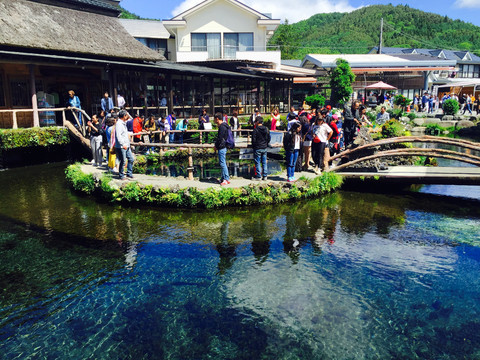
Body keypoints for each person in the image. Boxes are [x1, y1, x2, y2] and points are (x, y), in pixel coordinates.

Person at [114, 109, 135, 180]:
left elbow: (131, 118)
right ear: (123, 116)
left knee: (131, 159)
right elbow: (118, 136)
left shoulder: (123, 122)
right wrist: (123, 144)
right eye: (126, 115)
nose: (127, 116)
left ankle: (129, 173)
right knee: (123, 161)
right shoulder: (119, 124)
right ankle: (121, 175)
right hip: (122, 146)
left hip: (127, 145)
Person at [311, 109, 332, 174]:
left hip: (322, 141)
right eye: (318, 120)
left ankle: (319, 168)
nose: (319, 122)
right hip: (315, 140)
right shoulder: (314, 125)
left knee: (320, 154)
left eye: (321, 120)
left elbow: (331, 131)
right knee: (314, 154)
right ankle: (316, 164)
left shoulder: (325, 125)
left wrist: (327, 139)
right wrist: (313, 135)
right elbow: (312, 131)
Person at [251, 116, 270, 181]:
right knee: (264, 162)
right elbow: (268, 138)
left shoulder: (255, 130)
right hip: (264, 147)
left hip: (257, 148)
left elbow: (253, 140)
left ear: (257, 122)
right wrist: (266, 144)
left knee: (258, 162)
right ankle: (265, 176)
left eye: (255, 122)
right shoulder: (266, 129)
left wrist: (254, 146)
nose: (255, 123)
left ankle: (258, 176)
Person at [214, 113, 230, 186]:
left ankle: (226, 179)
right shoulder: (225, 126)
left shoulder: (222, 127)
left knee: (222, 163)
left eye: (214, 119)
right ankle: (223, 177)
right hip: (224, 146)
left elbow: (220, 138)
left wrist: (216, 146)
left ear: (217, 118)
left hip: (222, 146)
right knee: (222, 162)